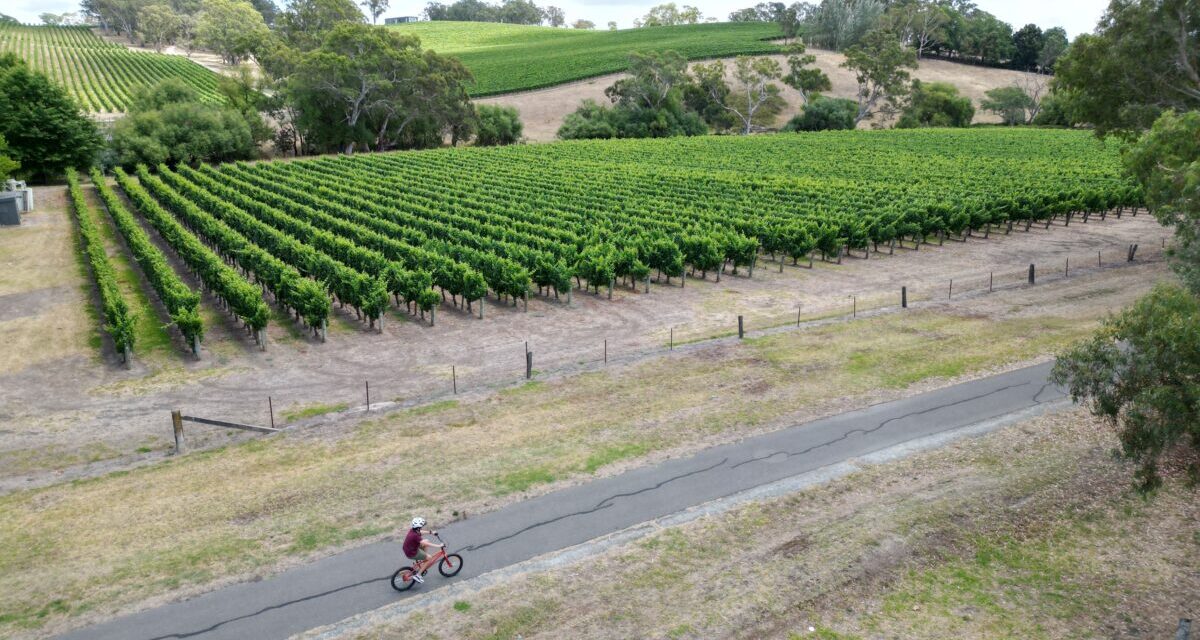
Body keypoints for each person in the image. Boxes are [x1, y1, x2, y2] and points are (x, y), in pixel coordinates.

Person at [402, 517, 443, 583]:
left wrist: (431, 532)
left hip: (409, 548)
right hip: (412, 553)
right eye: (421, 526)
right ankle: (418, 575)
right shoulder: (415, 536)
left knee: (426, 541)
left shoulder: (413, 530)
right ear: (418, 527)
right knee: (429, 558)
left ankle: (424, 561)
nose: (422, 527)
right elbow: (425, 543)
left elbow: (420, 532)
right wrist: (439, 546)